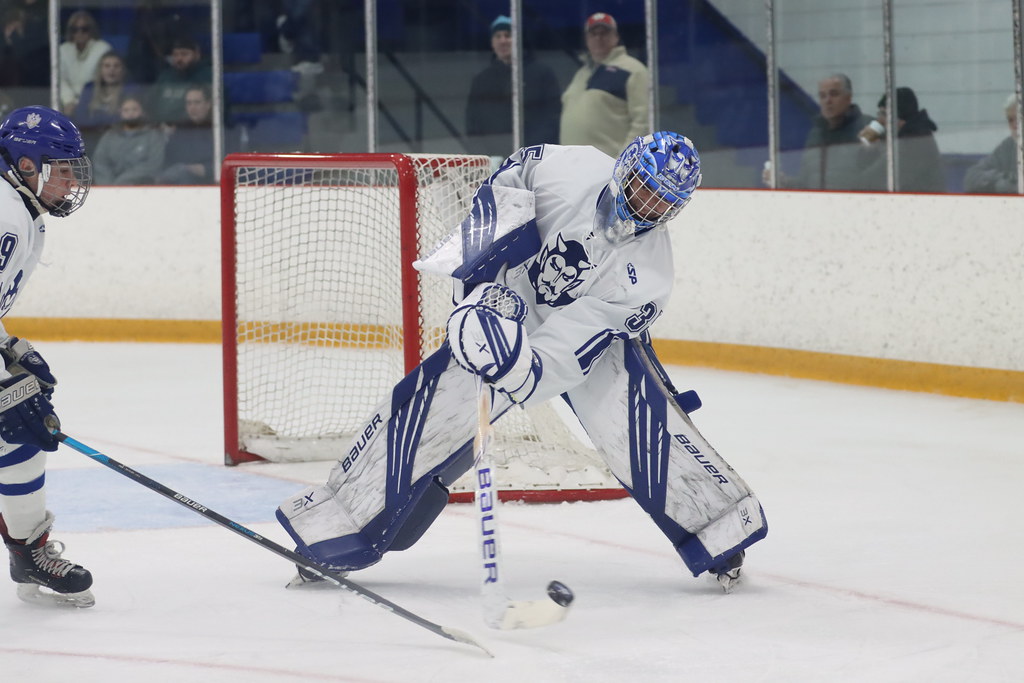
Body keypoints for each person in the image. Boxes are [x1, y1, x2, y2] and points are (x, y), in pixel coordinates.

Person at [275, 132, 767, 593]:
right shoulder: (570, 169)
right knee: (432, 408)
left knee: (637, 421)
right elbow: (509, 181)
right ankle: (337, 521)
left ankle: (719, 527)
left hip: (586, 340)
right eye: (643, 186)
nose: (646, 204)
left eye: (662, 200)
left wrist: (521, 371)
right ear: (623, 169)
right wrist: (480, 281)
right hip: (507, 299)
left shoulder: (650, 277)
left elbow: (577, 340)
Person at [0, 105, 94, 607]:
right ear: (27, 165)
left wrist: (10, 349)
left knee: (16, 435)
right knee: (13, 424)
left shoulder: (18, 209)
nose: (71, 184)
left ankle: (28, 550)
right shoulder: (5, 213)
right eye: (64, 171)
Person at [464, 15, 561, 157]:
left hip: (533, 161)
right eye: (498, 36)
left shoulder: (542, 74)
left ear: (519, 40)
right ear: (492, 43)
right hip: (494, 163)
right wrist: (485, 157)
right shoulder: (481, 80)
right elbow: (472, 124)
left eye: (508, 35)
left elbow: (552, 118)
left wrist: (531, 154)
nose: (503, 40)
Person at [559, 13, 651, 158]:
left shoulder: (633, 70)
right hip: (574, 168)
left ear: (616, 37)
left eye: (604, 33)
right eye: (593, 34)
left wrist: (623, 162)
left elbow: (643, 122)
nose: (598, 38)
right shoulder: (581, 73)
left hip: (608, 169)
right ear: (587, 39)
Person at [764, 73, 875, 190]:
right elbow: (806, 184)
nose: (828, 101)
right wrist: (783, 182)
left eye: (834, 94)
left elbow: (880, 177)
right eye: (822, 96)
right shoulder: (815, 134)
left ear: (848, 97)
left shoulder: (868, 128)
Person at [857, 86, 944, 193]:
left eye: (884, 114)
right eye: (879, 113)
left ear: (901, 120)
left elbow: (869, 181)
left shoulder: (913, 144)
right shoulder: (908, 137)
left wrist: (872, 148)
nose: (879, 120)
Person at [156, 85, 229, 184]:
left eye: (197, 103)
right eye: (189, 103)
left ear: (208, 104)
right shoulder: (179, 131)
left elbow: (227, 165)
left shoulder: (221, 131)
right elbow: (168, 164)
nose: (192, 107)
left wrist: (205, 169)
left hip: (211, 185)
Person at [71, 51, 142, 151]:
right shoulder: (89, 88)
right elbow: (81, 118)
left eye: (116, 66)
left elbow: (127, 119)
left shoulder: (130, 89)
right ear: (100, 70)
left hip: (119, 141)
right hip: (91, 140)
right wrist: (108, 120)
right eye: (107, 66)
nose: (111, 70)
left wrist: (97, 118)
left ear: (123, 70)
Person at [91, 95, 165, 185]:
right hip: (108, 189)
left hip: (142, 190)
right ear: (120, 113)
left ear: (143, 112)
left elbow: (153, 165)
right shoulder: (109, 136)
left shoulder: (153, 136)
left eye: (135, 110)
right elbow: (100, 162)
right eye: (126, 110)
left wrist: (122, 182)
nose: (130, 113)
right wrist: (109, 185)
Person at [148, 36, 212, 126]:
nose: (179, 59)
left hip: (192, 129)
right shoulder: (165, 76)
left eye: (184, 54)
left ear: (197, 55)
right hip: (162, 129)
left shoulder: (208, 76)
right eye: (175, 55)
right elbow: (151, 103)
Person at [58, 11, 112, 115]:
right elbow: (60, 79)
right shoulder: (62, 50)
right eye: (75, 29)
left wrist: (83, 102)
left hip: (94, 102)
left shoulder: (103, 49)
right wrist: (69, 101)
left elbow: (102, 79)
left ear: (91, 30)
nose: (80, 33)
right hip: (67, 104)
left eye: (84, 29)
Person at [965, 94, 1018, 194]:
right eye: (1011, 120)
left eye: (1019, 118)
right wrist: (1001, 178)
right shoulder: (1009, 146)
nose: (1015, 125)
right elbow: (971, 178)